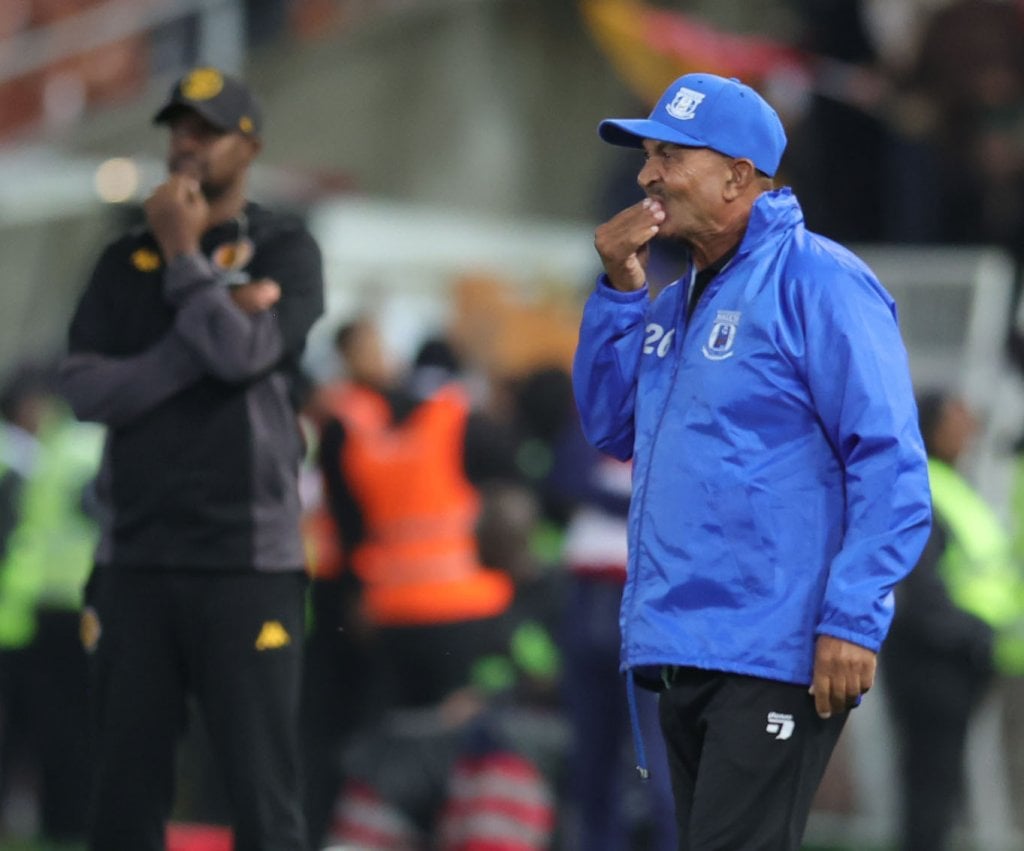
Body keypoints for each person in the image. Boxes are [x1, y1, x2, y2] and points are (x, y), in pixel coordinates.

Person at [573, 72, 933, 850]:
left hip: (780, 644)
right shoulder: (672, 302)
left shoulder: (823, 282)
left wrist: (852, 617)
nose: (646, 175)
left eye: (669, 153)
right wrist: (619, 292)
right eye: (647, 155)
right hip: (684, 642)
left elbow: (890, 461)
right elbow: (611, 427)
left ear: (739, 175)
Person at [58, 66, 324, 851]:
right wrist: (202, 327)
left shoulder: (285, 247)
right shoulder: (119, 261)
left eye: (206, 130)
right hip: (134, 557)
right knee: (122, 795)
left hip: (246, 562)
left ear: (250, 146)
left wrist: (183, 256)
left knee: (261, 793)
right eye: (178, 127)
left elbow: (245, 357)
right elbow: (84, 389)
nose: (185, 144)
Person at [884, 391, 1024, 851]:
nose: (969, 429)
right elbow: (920, 591)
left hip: (962, 660)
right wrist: (977, 633)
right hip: (932, 661)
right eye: (958, 418)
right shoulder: (924, 485)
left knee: (941, 785)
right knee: (929, 784)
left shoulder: (954, 485)